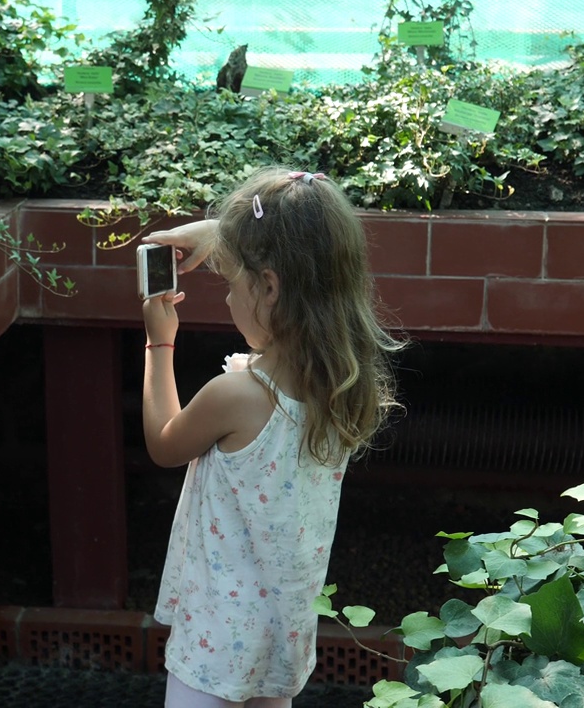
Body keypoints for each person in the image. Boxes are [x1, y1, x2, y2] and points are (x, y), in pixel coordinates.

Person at [140, 167, 405, 707]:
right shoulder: (345, 389)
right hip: (279, 638)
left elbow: (163, 444)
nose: (227, 297)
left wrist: (158, 345)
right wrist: (221, 234)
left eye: (231, 280)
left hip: (216, 645)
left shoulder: (237, 395)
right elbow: (310, 251)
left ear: (268, 286)